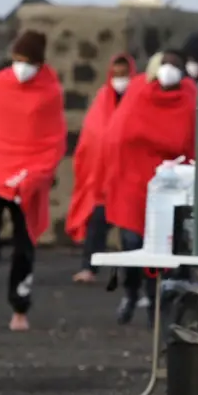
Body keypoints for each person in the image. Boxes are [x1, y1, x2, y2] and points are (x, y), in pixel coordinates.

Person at [0, 30, 67, 332]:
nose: (21, 67)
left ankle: (20, 310)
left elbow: (52, 139)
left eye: (28, 61)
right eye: (17, 59)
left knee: (24, 244)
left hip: (28, 180)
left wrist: (38, 172)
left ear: (39, 62)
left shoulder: (50, 92)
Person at [103, 48, 198, 324]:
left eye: (174, 66)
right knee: (132, 244)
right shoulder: (138, 92)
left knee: (166, 251)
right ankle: (131, 293)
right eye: (165, 65)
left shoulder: (190, 100)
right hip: (134, 183)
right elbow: (120, 133)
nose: (168, 71)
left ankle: (158, 305)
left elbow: (188, 141)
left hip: (172, 187)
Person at [67, 53, 136, 283]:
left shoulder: (137, 100)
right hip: (104, 179)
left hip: (129, 178)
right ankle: (89, 268)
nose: (120, 80)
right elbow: (92, 135)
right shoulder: (102, 99)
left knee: (131, 232)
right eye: (116, 74)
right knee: (97, 222)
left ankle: (133, 279)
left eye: (124, 74)